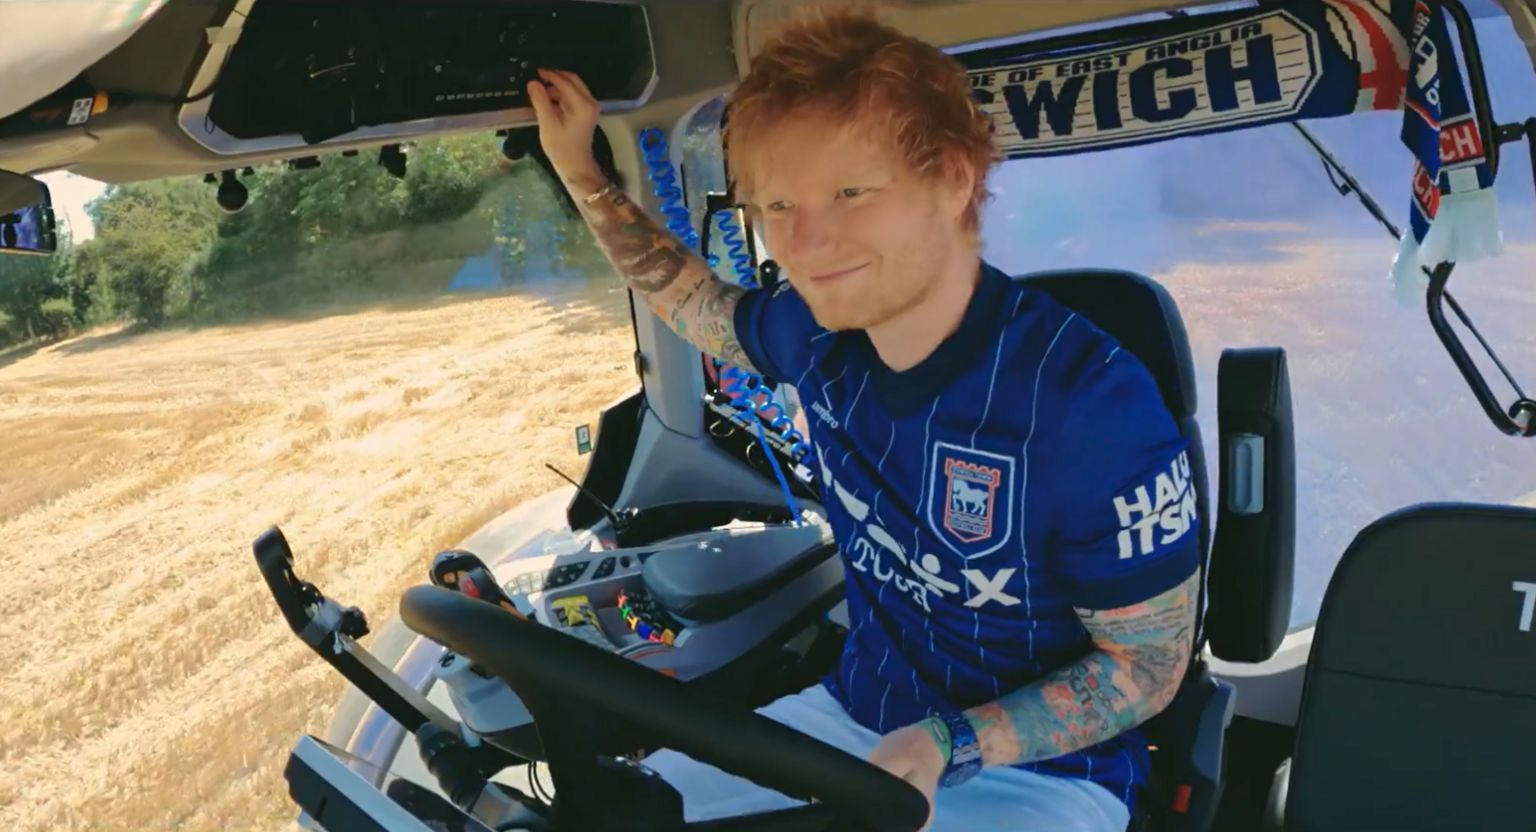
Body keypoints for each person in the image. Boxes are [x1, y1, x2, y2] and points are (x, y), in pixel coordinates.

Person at [525, 8, 1199, 831]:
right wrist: (582, 173)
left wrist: (952, 742)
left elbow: (1148, 667)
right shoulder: (815, 335)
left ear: (953, 180)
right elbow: (693, 300)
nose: (804, 242)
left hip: (1045, 778)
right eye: (776, 206)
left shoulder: (1089, 406)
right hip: (848, 721)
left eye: (851, 192)